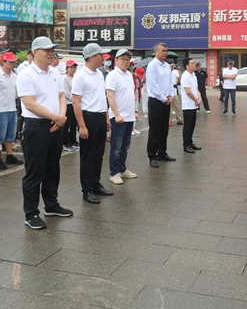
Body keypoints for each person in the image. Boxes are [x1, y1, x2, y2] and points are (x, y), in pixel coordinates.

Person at [16, 37, 72, 229]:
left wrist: (61, 117)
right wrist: (55, 117)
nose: (51, 53)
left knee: (52, 168)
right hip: (36, 127)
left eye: (52, 50)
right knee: (35, 171)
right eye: (46, 50)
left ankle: (51, 204)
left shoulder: (54, 72)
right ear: (34, 52)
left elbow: (61, 96)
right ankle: (31, 213)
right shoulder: (26, 74)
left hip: (56, 124)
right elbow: (30, 104)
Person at [71, 43, 113, 203]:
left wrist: (106, 117)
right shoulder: (81, 76)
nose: (104, 58)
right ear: (92, 57)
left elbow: (102, 97)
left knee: (98, 154)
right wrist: (82, 126)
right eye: (101, 55)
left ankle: (96, 184)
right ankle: (87, 190)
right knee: (88, 156)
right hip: (88, 118)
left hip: (101, 116)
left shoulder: (99, 74)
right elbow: (76, 102)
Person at [105, 49, 139, 185]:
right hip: (118, 117)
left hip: (129, 116)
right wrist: (117, 114)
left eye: (127, 59)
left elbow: (131, 94)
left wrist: (134, 111)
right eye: (122, 59)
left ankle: (122, 168)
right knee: (116, 147)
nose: (125, 61)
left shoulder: (129, 75)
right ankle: (114, 172)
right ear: (116, 61)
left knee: (125, 146)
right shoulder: (112, 75)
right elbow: (110, 96)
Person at [0, 51, 23, 170]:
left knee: (10, 135)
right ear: (3, 62)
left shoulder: (15, 76)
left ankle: (9, 155)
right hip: (0, 111)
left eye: (14, 62)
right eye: (10, 62)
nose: (13, 64)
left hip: (12, 109)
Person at [145, 42, 176, 168]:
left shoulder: (167, 66)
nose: (165, 53)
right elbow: (153, 85)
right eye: (163, 50)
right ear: (156, 52)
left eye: (166, 50)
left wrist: (171, 95)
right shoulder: (152, 65)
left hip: (166, 100)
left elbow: (170, 82)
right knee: (155, 129)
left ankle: (162, 152)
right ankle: (152, 155)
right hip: (156, 101)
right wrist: (163, 98)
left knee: (164, 128)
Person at [180, 58, 202, 153]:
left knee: (192, 125)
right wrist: (196, 100)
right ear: (187, 66)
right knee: (188, 126)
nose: (194, 65)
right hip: (188, 105)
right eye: (192, 63)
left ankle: (190, 142)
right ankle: (186, 145)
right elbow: (188, 91)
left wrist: (199, 98)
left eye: (194, 63)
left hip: (194, 104)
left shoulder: (193, 75)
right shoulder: (185, 76)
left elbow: (196, 89)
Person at [62, 60, 78, 151]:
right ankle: (66, 142)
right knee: (67, 124)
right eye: (71, 67)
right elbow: (66, 93)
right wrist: (76, 100)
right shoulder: (65, 79)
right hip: (68, 104)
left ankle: (73, 140)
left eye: (74, 67)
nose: (73, 69)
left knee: (74, 124)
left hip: (76, 104)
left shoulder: (76, 78)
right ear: (67, 69)